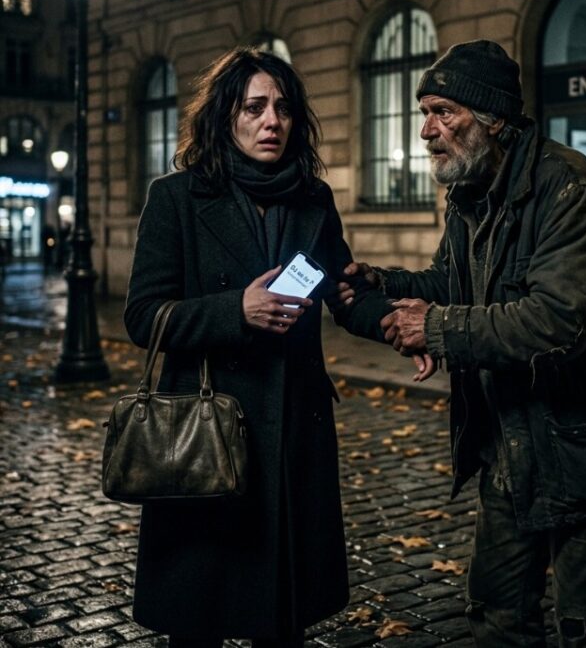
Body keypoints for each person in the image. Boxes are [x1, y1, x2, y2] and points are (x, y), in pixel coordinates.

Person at [338, 40, 586, 646]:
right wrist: (385, 283)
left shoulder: (568, 188)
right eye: (424, 115)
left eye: (442, 112)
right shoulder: (470, 193)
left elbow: (556, 321)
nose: (426, 132)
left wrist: (434, 327)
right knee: (495, 613)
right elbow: (452, 283)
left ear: (491, 117)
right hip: (509, 446)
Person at [124, 47, 389, 647]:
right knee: (200, 618)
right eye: (255, 107)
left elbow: (340, 290)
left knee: (281, 618)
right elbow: (144, 317)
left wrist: (401, 326)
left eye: (284, 108)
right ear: (226, 117)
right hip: (207, 434)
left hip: (292, 430)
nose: (272, 120)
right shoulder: (177, 199)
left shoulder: (312, 199)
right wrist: (233, 311)